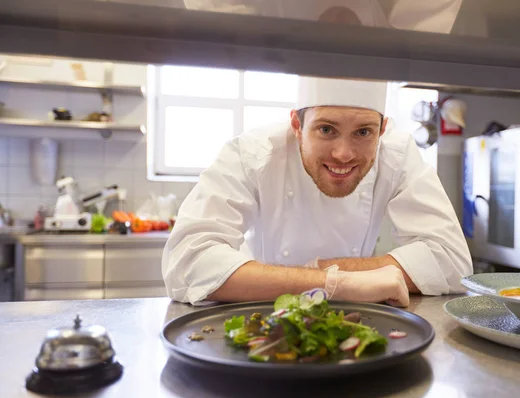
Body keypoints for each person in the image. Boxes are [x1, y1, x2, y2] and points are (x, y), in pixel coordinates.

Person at [162, 76, 472, 307]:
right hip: (263, 315)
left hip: (353, 318)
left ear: (383, 128)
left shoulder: (397, 154)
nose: (344, 154)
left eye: (363, 132)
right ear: (296, 124)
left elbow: (452, 261)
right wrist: (336, 283)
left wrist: (325, 277)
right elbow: (187, 261)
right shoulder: (252, 153)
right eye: (326, 130)